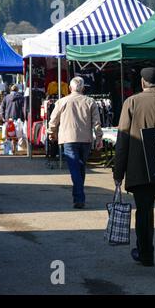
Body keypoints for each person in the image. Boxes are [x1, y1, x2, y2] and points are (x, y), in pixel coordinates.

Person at [113, 67, 155, 279]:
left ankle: (145, 255)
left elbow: (123, 139)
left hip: (140, 168)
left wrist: (118, 171)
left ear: (143, 83)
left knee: (143, 213)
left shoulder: (131, 102)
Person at [48, 77, 103, 209]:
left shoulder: (62, 101)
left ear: (70, 88)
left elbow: (53, 119)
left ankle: (79, 197)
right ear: (83, 88)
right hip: (85, 139)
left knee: (75, 169)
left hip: (68, 139)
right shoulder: (90, 102)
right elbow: (97, 122)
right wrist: (99, 137)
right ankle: (78, 196)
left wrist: (51, 132)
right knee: (80, 168)